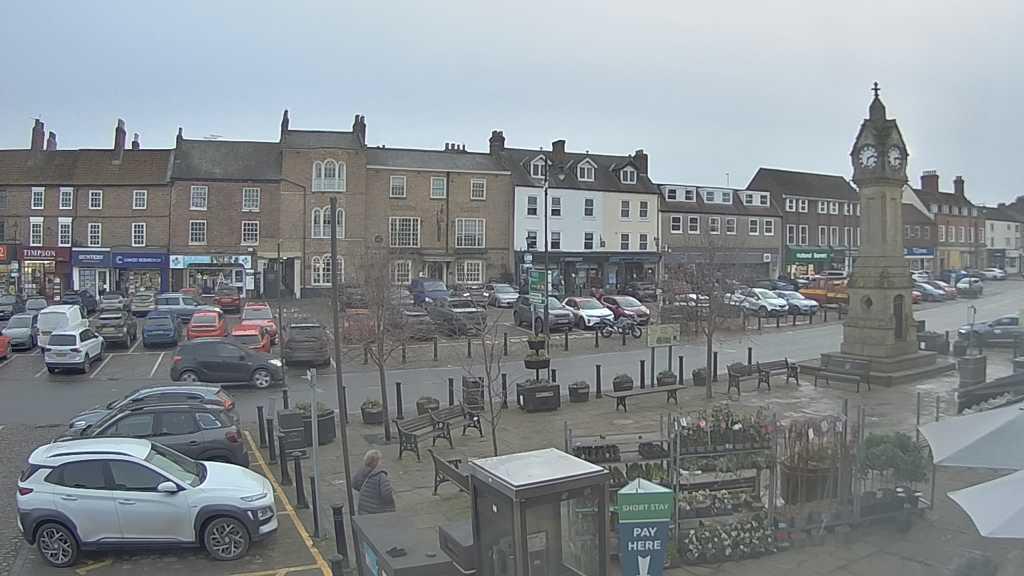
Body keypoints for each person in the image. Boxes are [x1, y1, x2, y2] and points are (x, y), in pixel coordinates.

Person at [352, 449, 395, 515]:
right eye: (380, 460)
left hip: (364, 510)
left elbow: (355, 484)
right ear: (376, 462)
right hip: (379, 512)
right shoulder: (381, 476)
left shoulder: (361, 471)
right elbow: (387, 495)